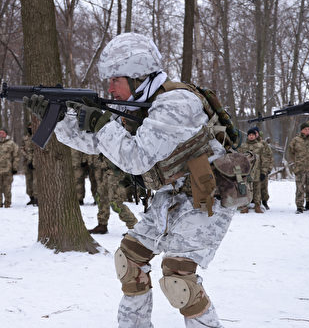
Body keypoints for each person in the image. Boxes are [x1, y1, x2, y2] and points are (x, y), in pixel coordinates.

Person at [25, 32, 243, 327]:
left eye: (116, 79)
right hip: (171, 197)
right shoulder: (136, 105)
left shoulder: (176, 102)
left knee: (179, 280)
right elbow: (95, 143)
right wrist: (58, 118)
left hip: (207, 197)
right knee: (130, 261)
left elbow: (137, 158)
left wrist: (100, 123)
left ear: (138, 75)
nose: (109, 87)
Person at [87, 154, 138, 234]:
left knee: (115, 202)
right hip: (107, 171)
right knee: (101, 196)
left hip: (117, 174)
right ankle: (102, 224)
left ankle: (134, 227)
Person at [237, 127, 271, 213]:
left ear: (255, 136)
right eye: (250, 135)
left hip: (257, 171)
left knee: (257, 190)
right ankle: (244, 206)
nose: (251, 137)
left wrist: (264, 172)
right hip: (245, 172)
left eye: (253, 135)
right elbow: (238, 158)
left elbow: (265, 160)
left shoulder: (260, 146)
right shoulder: (243, 146)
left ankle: (257, 206)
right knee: (245, 189)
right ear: (247, 136)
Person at [21, 127, 38, 206]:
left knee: (36, 181)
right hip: (26, 162)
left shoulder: (38, 136)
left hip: (36, 163)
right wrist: (27, 157)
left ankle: (36, 198)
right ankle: (31, 197)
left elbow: (38, 150)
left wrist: (33, 160)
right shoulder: (25, 138)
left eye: (32, 126)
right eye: (29, 127)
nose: (30, 128)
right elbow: (21, 148)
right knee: (28, 181)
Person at [259, 131, 272, 210]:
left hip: (264, 169)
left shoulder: (265, 145)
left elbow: (270, 157)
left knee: (264, 187)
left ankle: (264, 202)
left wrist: (269, 168)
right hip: (254, 170)